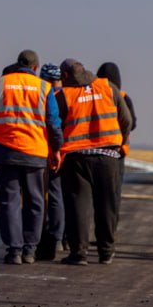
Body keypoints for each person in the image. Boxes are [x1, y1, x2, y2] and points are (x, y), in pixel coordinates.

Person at [0, 49, 63, 265]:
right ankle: (30, 249)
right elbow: (53, 123)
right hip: (35, 152)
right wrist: (56, 148)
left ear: (17, 64)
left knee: (9, 201)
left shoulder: (1, 83)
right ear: (35, 68)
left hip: (6, 151)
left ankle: (14, 250)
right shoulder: (44, 87)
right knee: (35, 201)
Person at [54, 58, 132, 265]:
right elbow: (126, 120)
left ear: (66, 76)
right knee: (107, 204)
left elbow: (54, 126)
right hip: (108, 157)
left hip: (76, 158)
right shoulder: (108, 87)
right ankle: (106, 251)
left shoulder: (64, 95)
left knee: (77, 205)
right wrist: (121, 144)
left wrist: (55, 151)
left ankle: (78, 253)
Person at [36, 62, 67, 261]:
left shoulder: (43, 94)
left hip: (42, 150)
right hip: (62, 151)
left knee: (37, 195)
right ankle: (57, 237)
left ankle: (38, 235)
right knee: (57, 195)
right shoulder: (67, 95)